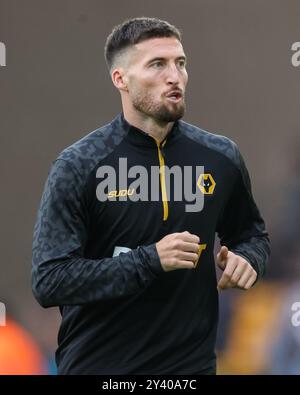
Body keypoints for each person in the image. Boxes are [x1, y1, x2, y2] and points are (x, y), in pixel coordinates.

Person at [32, 17, 270, 375]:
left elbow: (252, 235)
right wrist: (149, 261)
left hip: (189, 371)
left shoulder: (220, 157)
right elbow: (50, 281)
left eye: (181, 63)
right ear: (120, 79)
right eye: (157, 64)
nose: (174, 76)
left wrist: (247, 258)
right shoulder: (78, 165)